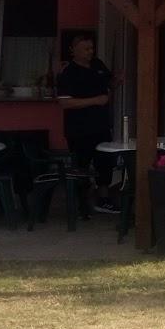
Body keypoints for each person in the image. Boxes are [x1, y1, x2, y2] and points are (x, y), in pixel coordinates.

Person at [56, 32, 118, 214]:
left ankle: (103, 199)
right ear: (73, 50)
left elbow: (108, 87)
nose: (90, 52)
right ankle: (81, 203)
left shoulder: (98, 65)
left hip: (101, 125)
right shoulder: (68, 72)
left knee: (105, 163)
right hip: (79, 129)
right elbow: (64, 102)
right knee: (81, 166)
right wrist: (95, 100)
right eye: (86, 49)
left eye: (91, 48)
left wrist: (116, 82)